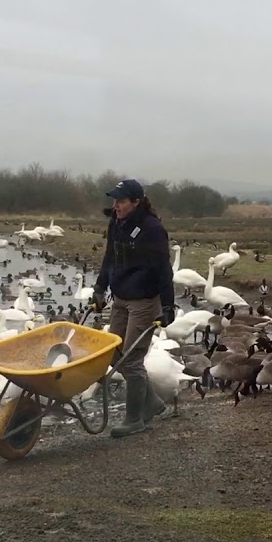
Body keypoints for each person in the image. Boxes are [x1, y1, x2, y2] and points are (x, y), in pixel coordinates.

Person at [91, 178, 176, 438]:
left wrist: (168, 305)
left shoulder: (152, 229)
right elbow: (109, 258)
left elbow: (164, 269)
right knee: (114, 354)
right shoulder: (117, 223)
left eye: (121, 201)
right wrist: (99, 288)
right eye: (114, 201)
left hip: (144, 300)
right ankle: (151, 403)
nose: (115, 205)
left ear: (136, 202)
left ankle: (134, 419)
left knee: (132, 357)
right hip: (121, 297)